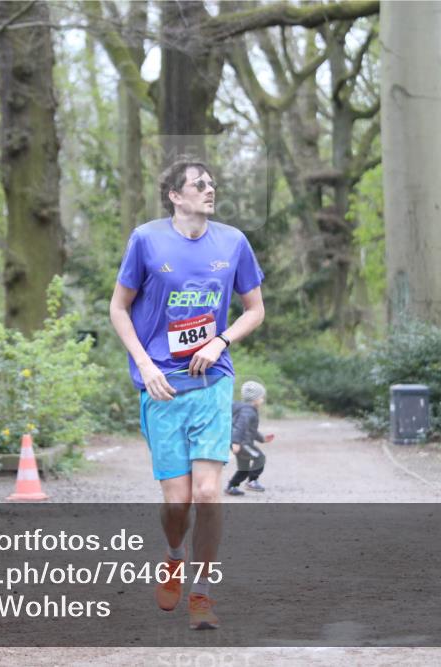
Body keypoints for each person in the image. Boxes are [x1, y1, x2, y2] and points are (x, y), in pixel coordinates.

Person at [109, 159, 265, 630]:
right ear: (175, 196)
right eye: (199, 185)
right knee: (176, 505)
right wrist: (143, 363)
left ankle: (202, 593)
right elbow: (119, 307)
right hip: (162, 388)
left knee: (209, 493)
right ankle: (174, 556)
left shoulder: (233, 242)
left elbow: (254, 309)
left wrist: (221, 340)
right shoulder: (147, 240)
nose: (209, 190)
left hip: (213, 382)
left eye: (212, 184)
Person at [226, 381, 275, 496]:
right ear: (255, 399)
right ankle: (252, 481)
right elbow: (240, 426)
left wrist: (262, 438)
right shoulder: (248, 411)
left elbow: (249, 430)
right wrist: (236, 442)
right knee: (260, 458)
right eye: (262, 397)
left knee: (244, 468)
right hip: (243, 444)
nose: (262, 400)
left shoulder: (245, 409)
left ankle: (232, 486)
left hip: (242, 442)